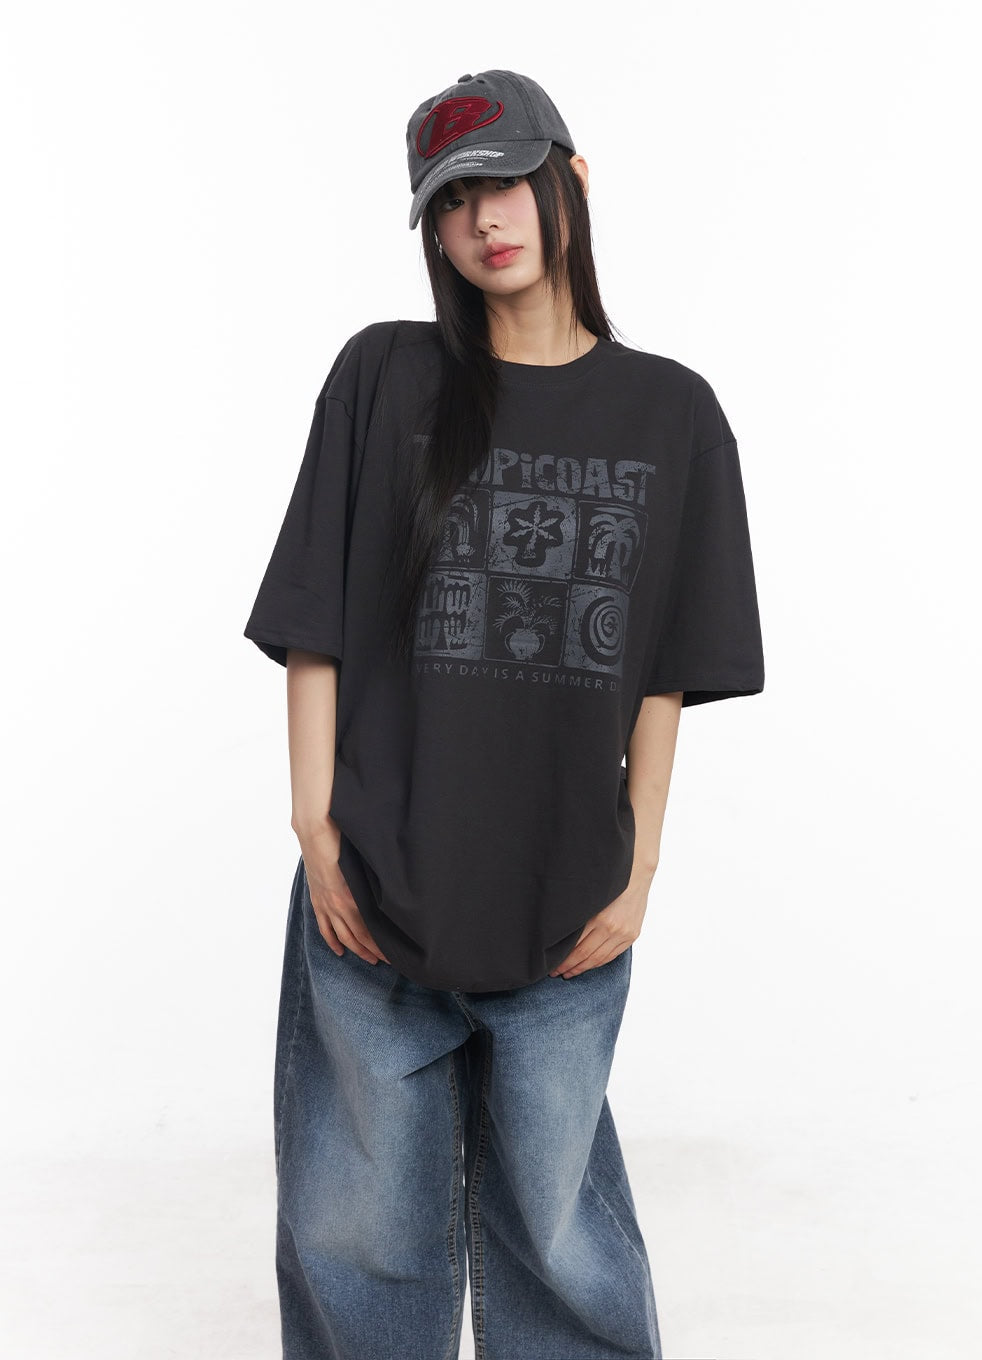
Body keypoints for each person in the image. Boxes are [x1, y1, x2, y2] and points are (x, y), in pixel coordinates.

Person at [243, 68, 764, 1360]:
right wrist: (315, 829)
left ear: (571, 181)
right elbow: (315, 616)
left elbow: (666, 668)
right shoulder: (383, 378)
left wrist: (640, 868)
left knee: (560, 1233)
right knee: (356, 1225)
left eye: (509, 183)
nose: (485, 220)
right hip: (375, 886)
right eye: (452, 199)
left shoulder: (673, 415)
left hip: (565, 896)